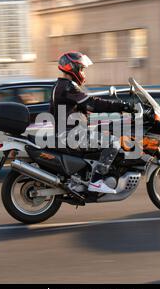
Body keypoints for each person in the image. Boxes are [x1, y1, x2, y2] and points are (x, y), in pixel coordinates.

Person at [49, 51, 136, 194]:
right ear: (73, 68)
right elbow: (92, 104)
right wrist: (122, 106)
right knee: (112, 142)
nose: (84, 73)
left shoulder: (60, 85)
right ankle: (96, 180)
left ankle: (87, 176)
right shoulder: (68, 87)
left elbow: (84, 108)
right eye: (82, 69)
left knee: (103, 133)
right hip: (71, 135)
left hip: (67, 133)